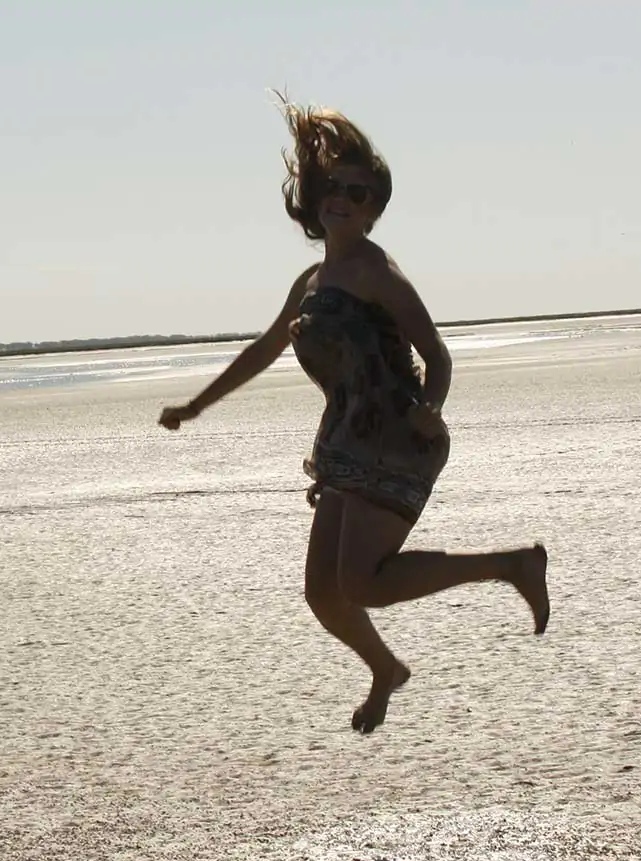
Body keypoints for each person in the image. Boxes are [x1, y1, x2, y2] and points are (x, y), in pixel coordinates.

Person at [158, 99, 548, 733]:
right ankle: (385, 669)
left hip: (396, 436)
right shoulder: (312, 280)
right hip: (346, 439)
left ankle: (510, 565)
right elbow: (264, 348)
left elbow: (437, 354)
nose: (343, 198)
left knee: (362, 584)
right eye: (333, 186)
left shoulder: (377, 272)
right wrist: (197, 406)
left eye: (358, 192)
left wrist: (432, 407)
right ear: (317, 196)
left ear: (374, 207)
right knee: (323, 594)